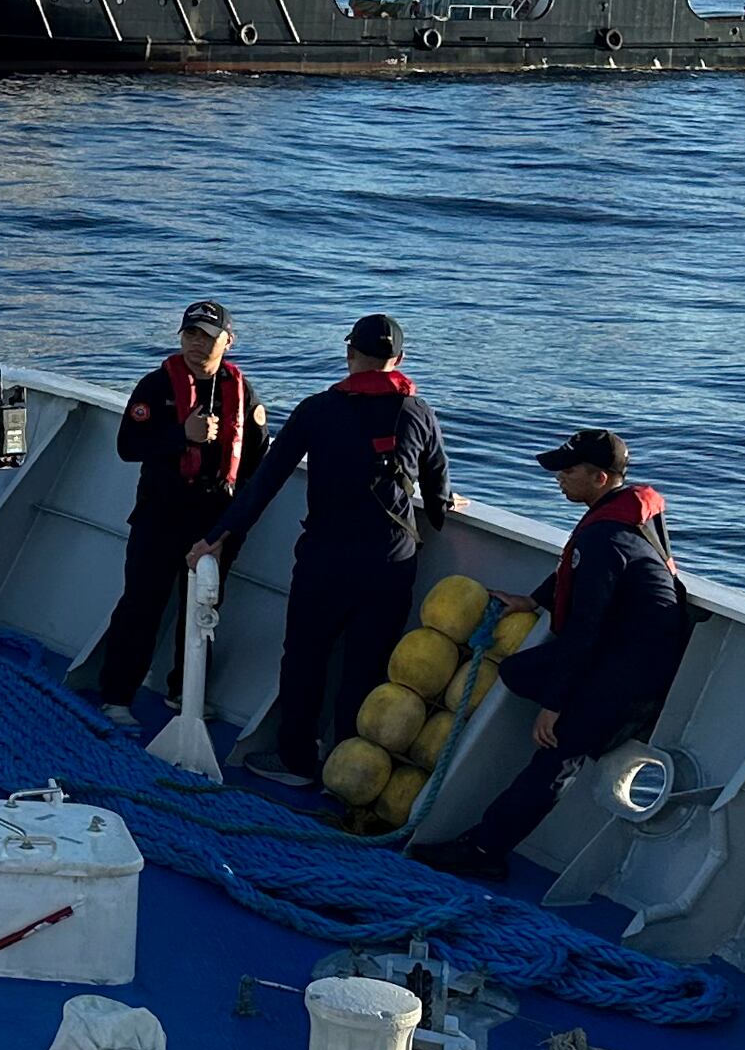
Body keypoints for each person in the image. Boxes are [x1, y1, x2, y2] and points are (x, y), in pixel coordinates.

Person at [193, 313, 452, 789]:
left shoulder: (317, 410)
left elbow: (263, 484)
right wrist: (442, 510)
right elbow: (436, 491)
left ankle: (295, 760)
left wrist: (217, 536)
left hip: (326, 561)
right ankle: (348, 769)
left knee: (306, 659)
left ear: (350, 353)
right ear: (400, 360)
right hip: (390, 563)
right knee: (367, 665)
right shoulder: (419, 413)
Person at [421, 431, 690, 880]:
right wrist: (535, 600)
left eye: (568, 472)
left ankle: (484, 851)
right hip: (628, 656)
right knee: (516, 670)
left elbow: (585, 629)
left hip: (628, 675)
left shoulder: (604, 539)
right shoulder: (621, 517)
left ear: (600, 477)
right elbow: (582, 576)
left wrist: (555, 705)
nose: (559, 479)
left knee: (556, 756)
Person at [87, 299, 270, 711]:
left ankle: (184, 693)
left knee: (203, 609)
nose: (198, 345)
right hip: (160, 515)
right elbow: (127, 446)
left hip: (213, 523)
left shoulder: (243, 394)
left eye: (208, 337)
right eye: (191, 334)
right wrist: (181, 436)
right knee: (141, 603)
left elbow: (258, 465)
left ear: (228, 341)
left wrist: (229, 530)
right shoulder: (155, 386)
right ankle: (116, 696)